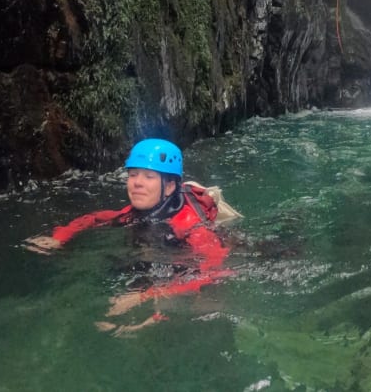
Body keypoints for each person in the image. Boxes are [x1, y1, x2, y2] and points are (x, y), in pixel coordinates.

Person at [25, 138, 231, 335]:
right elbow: (94, 219)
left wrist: (143, 297)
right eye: (133, 175)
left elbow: (214, 273)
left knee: (191, 303)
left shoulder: (190, 226)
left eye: (148, 176)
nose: (137, 183)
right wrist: (60, 236)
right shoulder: (139, 211)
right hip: (161, 263)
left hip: (186, 273)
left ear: (169, 186)